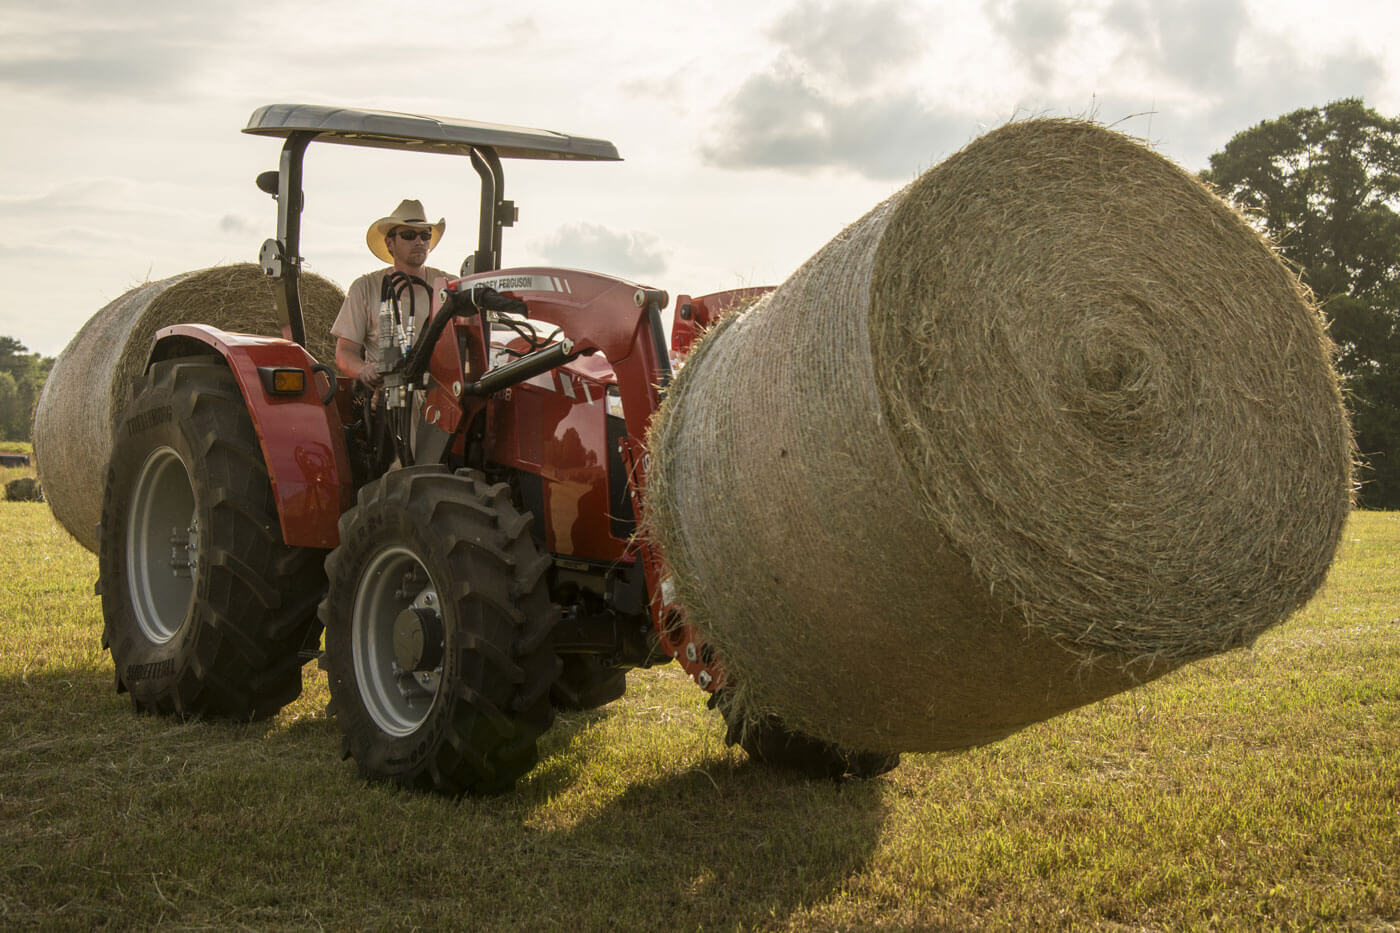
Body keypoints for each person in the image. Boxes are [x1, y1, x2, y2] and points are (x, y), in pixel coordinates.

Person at [332, 199, 452, 387]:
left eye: (425, 235)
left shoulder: (449, 286)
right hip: (387, 395)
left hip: (440, 393)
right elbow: (345, 352)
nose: (419, 241)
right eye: (409, 235)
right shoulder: (365, 288)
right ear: (390, 243)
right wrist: (365, 370)